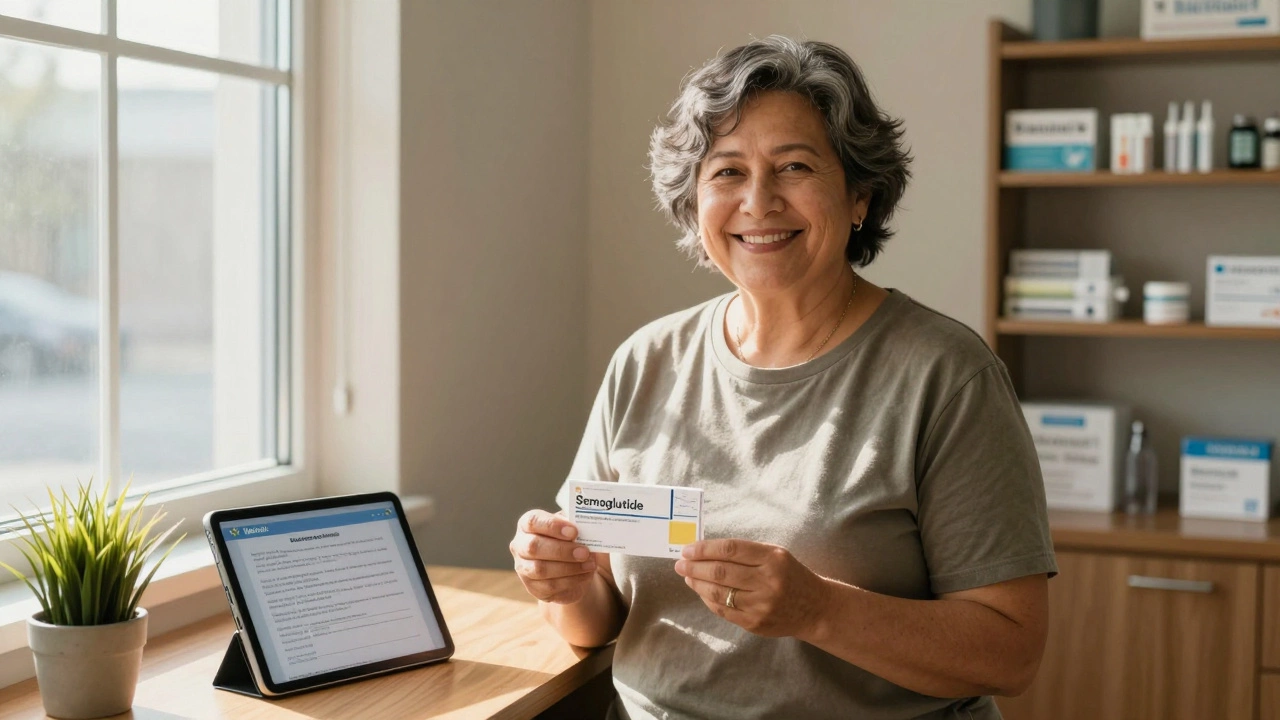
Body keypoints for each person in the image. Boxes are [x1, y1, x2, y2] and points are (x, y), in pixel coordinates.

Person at [510, 35, 1056, 720]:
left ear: (860, 196)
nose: (758, 201)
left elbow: (1011, 653)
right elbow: (600, 622)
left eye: (794, 167)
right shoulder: (644, 362)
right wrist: (564, 585)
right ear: (694, 200)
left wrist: (819, 609)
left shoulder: (947, 376)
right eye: (728, 172)